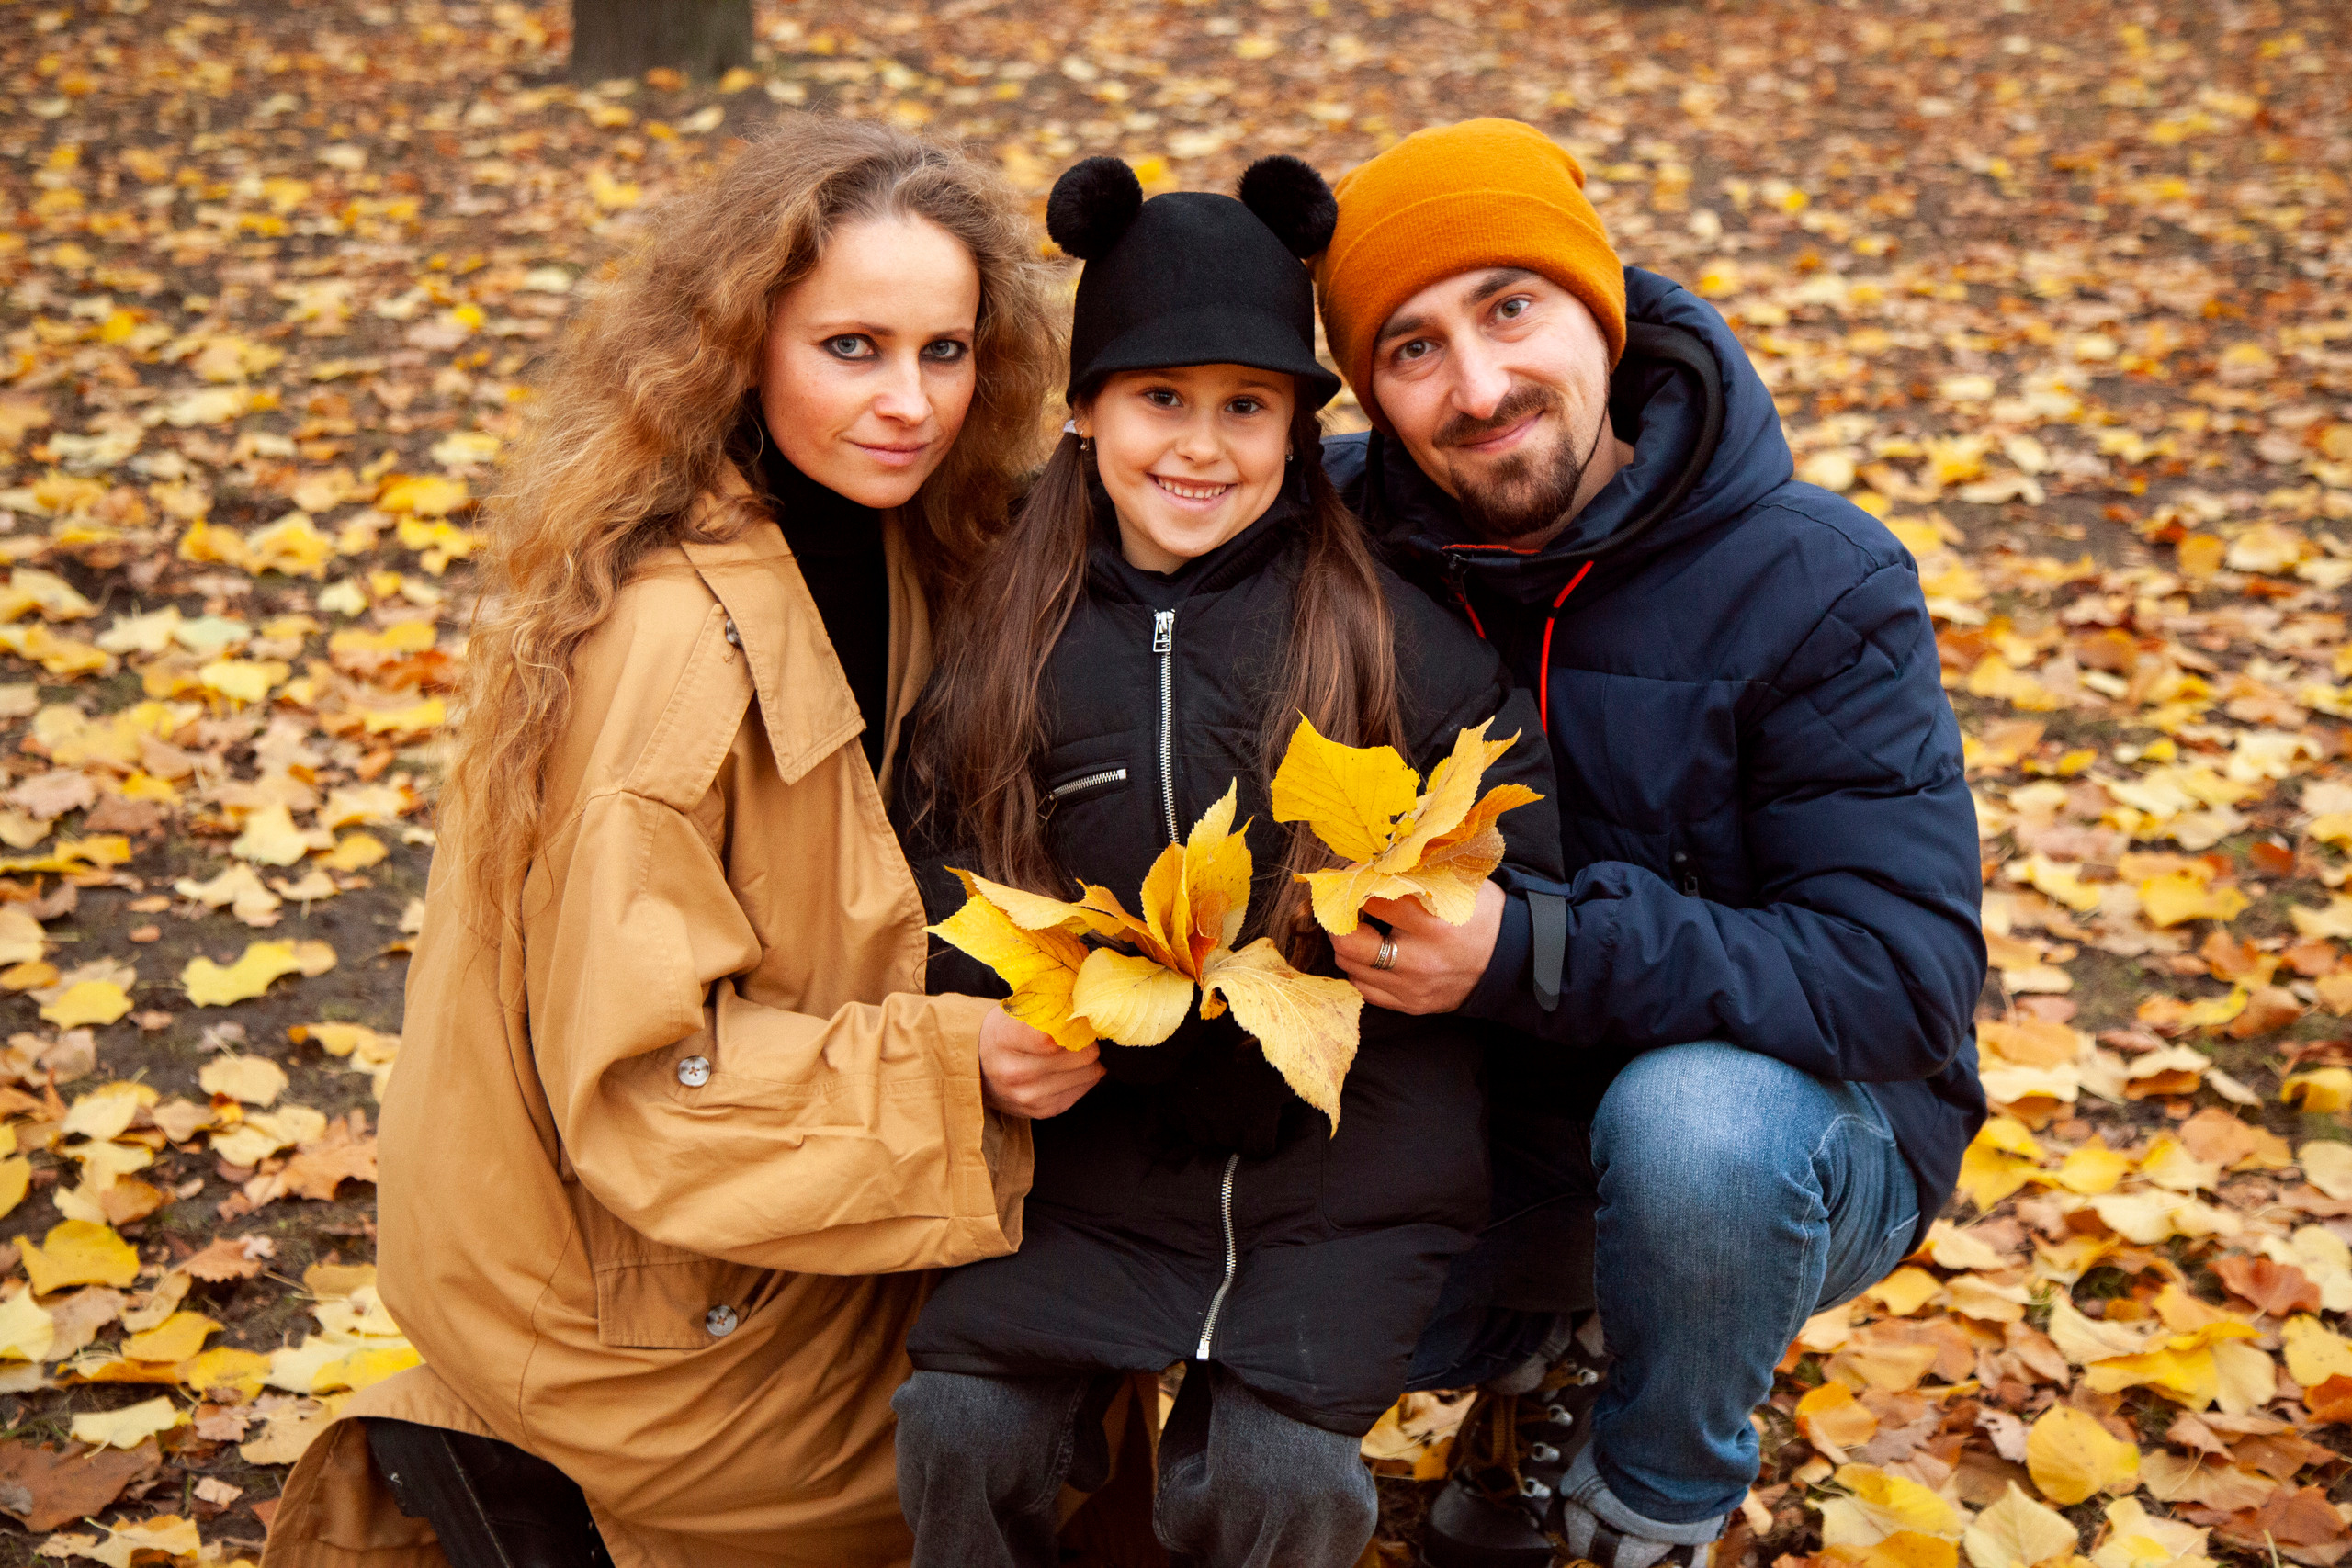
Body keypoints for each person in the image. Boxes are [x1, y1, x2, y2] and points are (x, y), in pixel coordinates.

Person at [260, 118, 1064, 1568]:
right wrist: (965, 1070)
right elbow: (641, 1083)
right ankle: (507, 1483)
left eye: (946, 352)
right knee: (1049, 1422)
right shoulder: (673, 644)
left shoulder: (891, 530)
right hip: (634, 1301)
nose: (911, 403)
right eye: (853, 349)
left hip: (731, 1217)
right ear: (745, 342)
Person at [1310, 120, 1988, 1568]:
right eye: (1413, 348)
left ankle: (1654, 1500)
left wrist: (1534, 949)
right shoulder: (1333, 555)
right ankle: (1533, 1350)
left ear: (1600, 312)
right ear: (1369, 390)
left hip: (1789, 1133)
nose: (1480, 387)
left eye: (1512, 309)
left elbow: (1903, 981)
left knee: (1695, 1134)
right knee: (1235, 1261)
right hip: (1482, 1127)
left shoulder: (1816, 579)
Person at [888, 154, 1564, 1568]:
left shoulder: (1389, 640)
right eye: (1159, 400)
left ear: (1302, 432)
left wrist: (1450, 932)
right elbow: (940, 866)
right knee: (961, 1426)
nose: (1200, 446)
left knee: (1279, 1478)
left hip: (1342, 1158)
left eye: (1246, 407)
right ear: (1084, 415)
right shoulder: (1004, 642)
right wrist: (992, 1023)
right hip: (1088, 1148)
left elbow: (1512, 839)